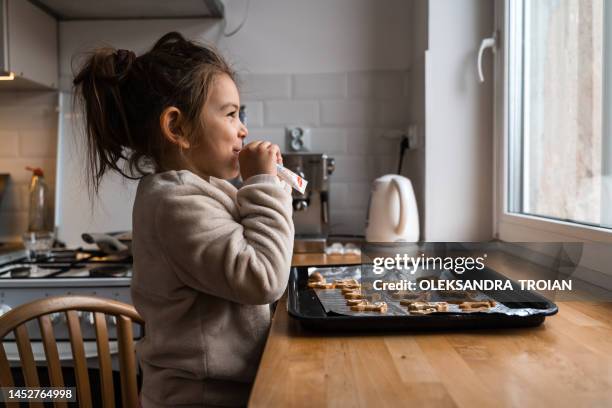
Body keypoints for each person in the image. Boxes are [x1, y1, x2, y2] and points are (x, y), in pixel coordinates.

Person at [73, 31, 294, 407]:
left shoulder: (198, 191)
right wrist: (262, 183)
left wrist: (271, 186)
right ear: (177, 128)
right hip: (201, 397)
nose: (243, 129)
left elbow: (253, 242)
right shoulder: (175, 204)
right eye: (230, 114)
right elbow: (263, 278)